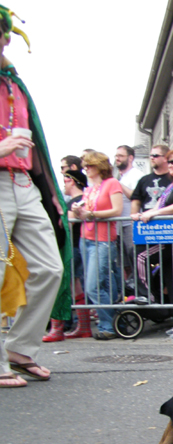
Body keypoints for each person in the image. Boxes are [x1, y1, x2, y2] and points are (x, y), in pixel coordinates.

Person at [0, 7, 67, 386]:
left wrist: (51, 192)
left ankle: (21, 348)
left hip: (23, 184)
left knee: (50, 267)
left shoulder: (15, 83)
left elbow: (35, 141)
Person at [132, 149, 173, 329]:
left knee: (140, 256)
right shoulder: (172, 185)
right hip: (172, 234)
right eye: (168, 161)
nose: (170, 165)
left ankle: (149, 298)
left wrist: (153, 212)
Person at [71, 152, 123, 340]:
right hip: (86, 238)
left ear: (99, 165)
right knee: (101, 284)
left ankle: (108, 324)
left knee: (94, 285)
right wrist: (79, 212)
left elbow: (117, 210)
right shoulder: (89, 188)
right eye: (85, 166)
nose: (86, 169)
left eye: (89, 166)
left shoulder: (112, 183)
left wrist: (90, 215)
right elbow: (86, 213)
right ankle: (115, 322)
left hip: (103, 239)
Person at [43, 168, 88, 342]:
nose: (64, 182)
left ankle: (61, 328)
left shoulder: (81, 199)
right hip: (72, 246)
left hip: (73, 246)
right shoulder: (70, 201)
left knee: (66, 285)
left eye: (67, 179)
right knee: (73, 286)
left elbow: (66, 219)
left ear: (74, 181)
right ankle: (81, 327)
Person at [114, 144, 144, 278]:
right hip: (119, 226)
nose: (117, 159)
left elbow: (135, 196)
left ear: (130, 158)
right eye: (116, 156)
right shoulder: (119, 175)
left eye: (121, 156)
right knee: (123, 263)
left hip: (131, 224)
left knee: (134, 259)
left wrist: (118, 185)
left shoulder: (136, 175)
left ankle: (141, 290)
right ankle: (129, 290)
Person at [130, 145, 171, 216]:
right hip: (147, 223)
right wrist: (134, 222)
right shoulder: (144, 180)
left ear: (165, 158)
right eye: (150, 155)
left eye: (155, 155)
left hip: (170, 223)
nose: (152, 158)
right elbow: (136, 202)